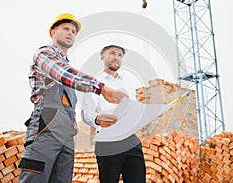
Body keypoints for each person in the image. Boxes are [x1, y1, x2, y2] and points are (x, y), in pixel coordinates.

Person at [18, 13, 128, 183]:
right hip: (46, 127)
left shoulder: (67, 65)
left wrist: (73, 122)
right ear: (53, 32)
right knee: (35, 177)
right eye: (66, 29)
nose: (71, 33)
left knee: (62, 179)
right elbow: (63, 74)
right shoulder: (44, 53)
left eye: (74, 31)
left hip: (66, 133)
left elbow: (67, 97)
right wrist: (102, 88)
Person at [81, 45, 146, 183]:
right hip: (108, 139)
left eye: (120, 55)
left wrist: (146, 114)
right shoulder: (94, 83)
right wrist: (97, 119)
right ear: (102, 55)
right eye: (112, 53)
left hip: (131, 140)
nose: (116, 57)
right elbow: (86, 111)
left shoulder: (128, 85)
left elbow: (133, 112)